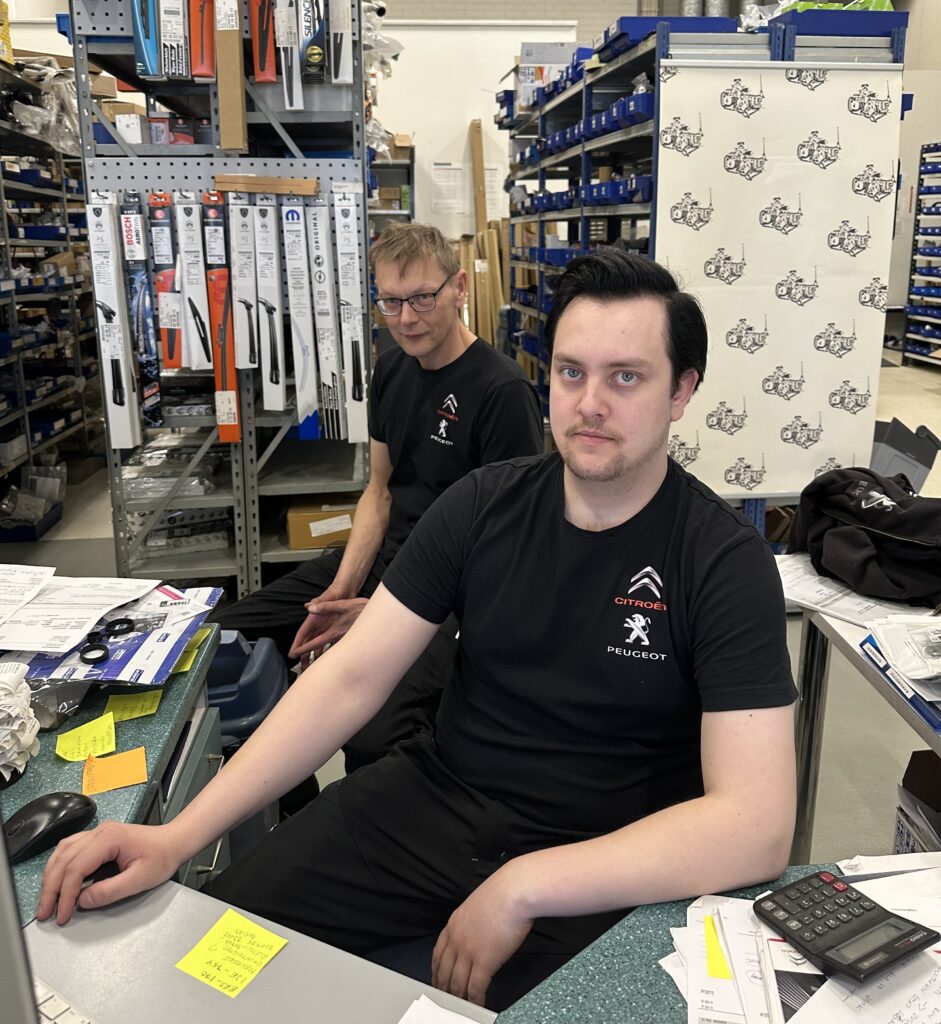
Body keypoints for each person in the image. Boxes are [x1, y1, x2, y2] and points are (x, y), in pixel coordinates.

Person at [39, 250, 797, 1012]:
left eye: (625, 377)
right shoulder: (482, 506)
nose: (590, 403)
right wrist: (175, 837)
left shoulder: (720, 562)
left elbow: (755, 823)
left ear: (681, 391)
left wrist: (527, 884)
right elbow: (348, 680)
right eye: (571, 373)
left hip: (608, 858)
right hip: (437, 802)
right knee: (206, 962)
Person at [210, 222, 543, 773]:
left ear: (459, 288)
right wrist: (341, 590)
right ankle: (284, 801)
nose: (406, 318)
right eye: (391, 302)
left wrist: (385, 615)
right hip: (384, 564)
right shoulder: (390, 366)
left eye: (422, 298)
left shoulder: (501, 392)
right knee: (222, 634)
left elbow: (510, 549)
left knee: (370, 740)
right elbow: (380, 491)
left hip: (450, 594)